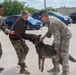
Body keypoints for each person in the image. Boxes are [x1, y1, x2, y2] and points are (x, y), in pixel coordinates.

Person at [39, 10, 72, 75]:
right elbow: (50, 30)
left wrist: (57, 49)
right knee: (53, 51)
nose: (40, 19)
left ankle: (65, 71)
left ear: (45, 16)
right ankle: (56, 68)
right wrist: (45, 36)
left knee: (63, 53)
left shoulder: (52, 22)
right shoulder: (48, 21)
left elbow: (57, 37)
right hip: (59, 35)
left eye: (40, 18)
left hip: (65, 35)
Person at [9, 10, 33, 74]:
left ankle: (21, 61)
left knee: (26, 48)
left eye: (27, 17)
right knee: (21, 51)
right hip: (14, 38)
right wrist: (31, 37)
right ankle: (22, 69)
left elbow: (22, 33)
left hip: (19, 37)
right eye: (25, 17)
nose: (26, 19)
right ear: (22, 15)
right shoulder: (19, 22)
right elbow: (22, 34)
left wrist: (29, 36)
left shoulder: (23, 20)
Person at [0, 5, 15, 73]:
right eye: (0, 10)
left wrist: (9, 31)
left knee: (0, 52)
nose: (2, 12)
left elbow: (4, 27)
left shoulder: (1, 19)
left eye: (2, 10)